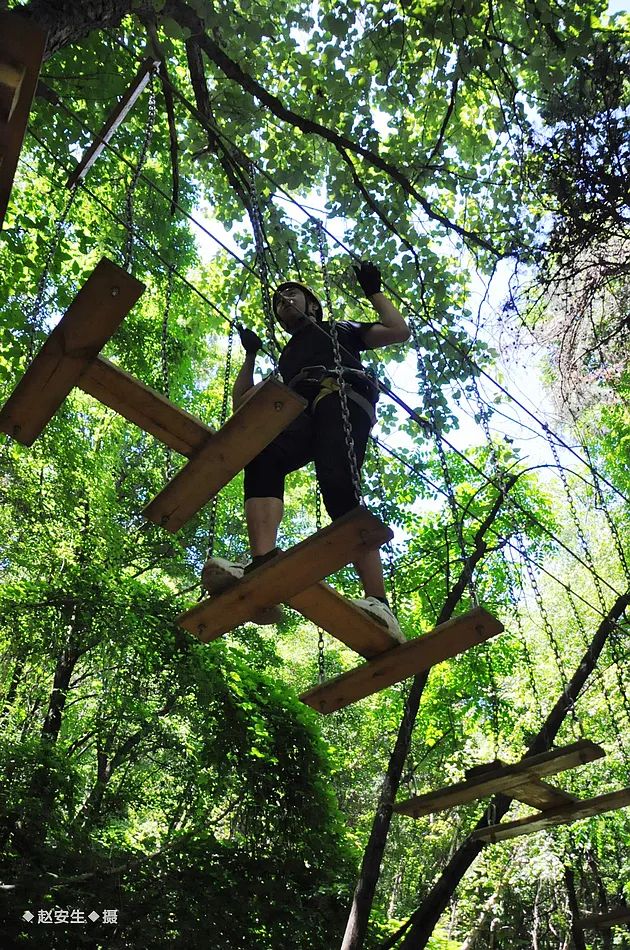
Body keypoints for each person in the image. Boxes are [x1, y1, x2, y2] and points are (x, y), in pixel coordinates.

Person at [202, 262, 410, 639]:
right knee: (263, 455)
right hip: (302, 407)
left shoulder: (340, 329)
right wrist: (250, 356)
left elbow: (399, 331)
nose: (283, 301)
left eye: (291, 294)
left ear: (313, 305)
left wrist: (373, 291)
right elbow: (242, 403)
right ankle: (262, 562)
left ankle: (379, 603)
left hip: (341, 394)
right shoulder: (287, 361)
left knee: (336, 484)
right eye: (278, 303)